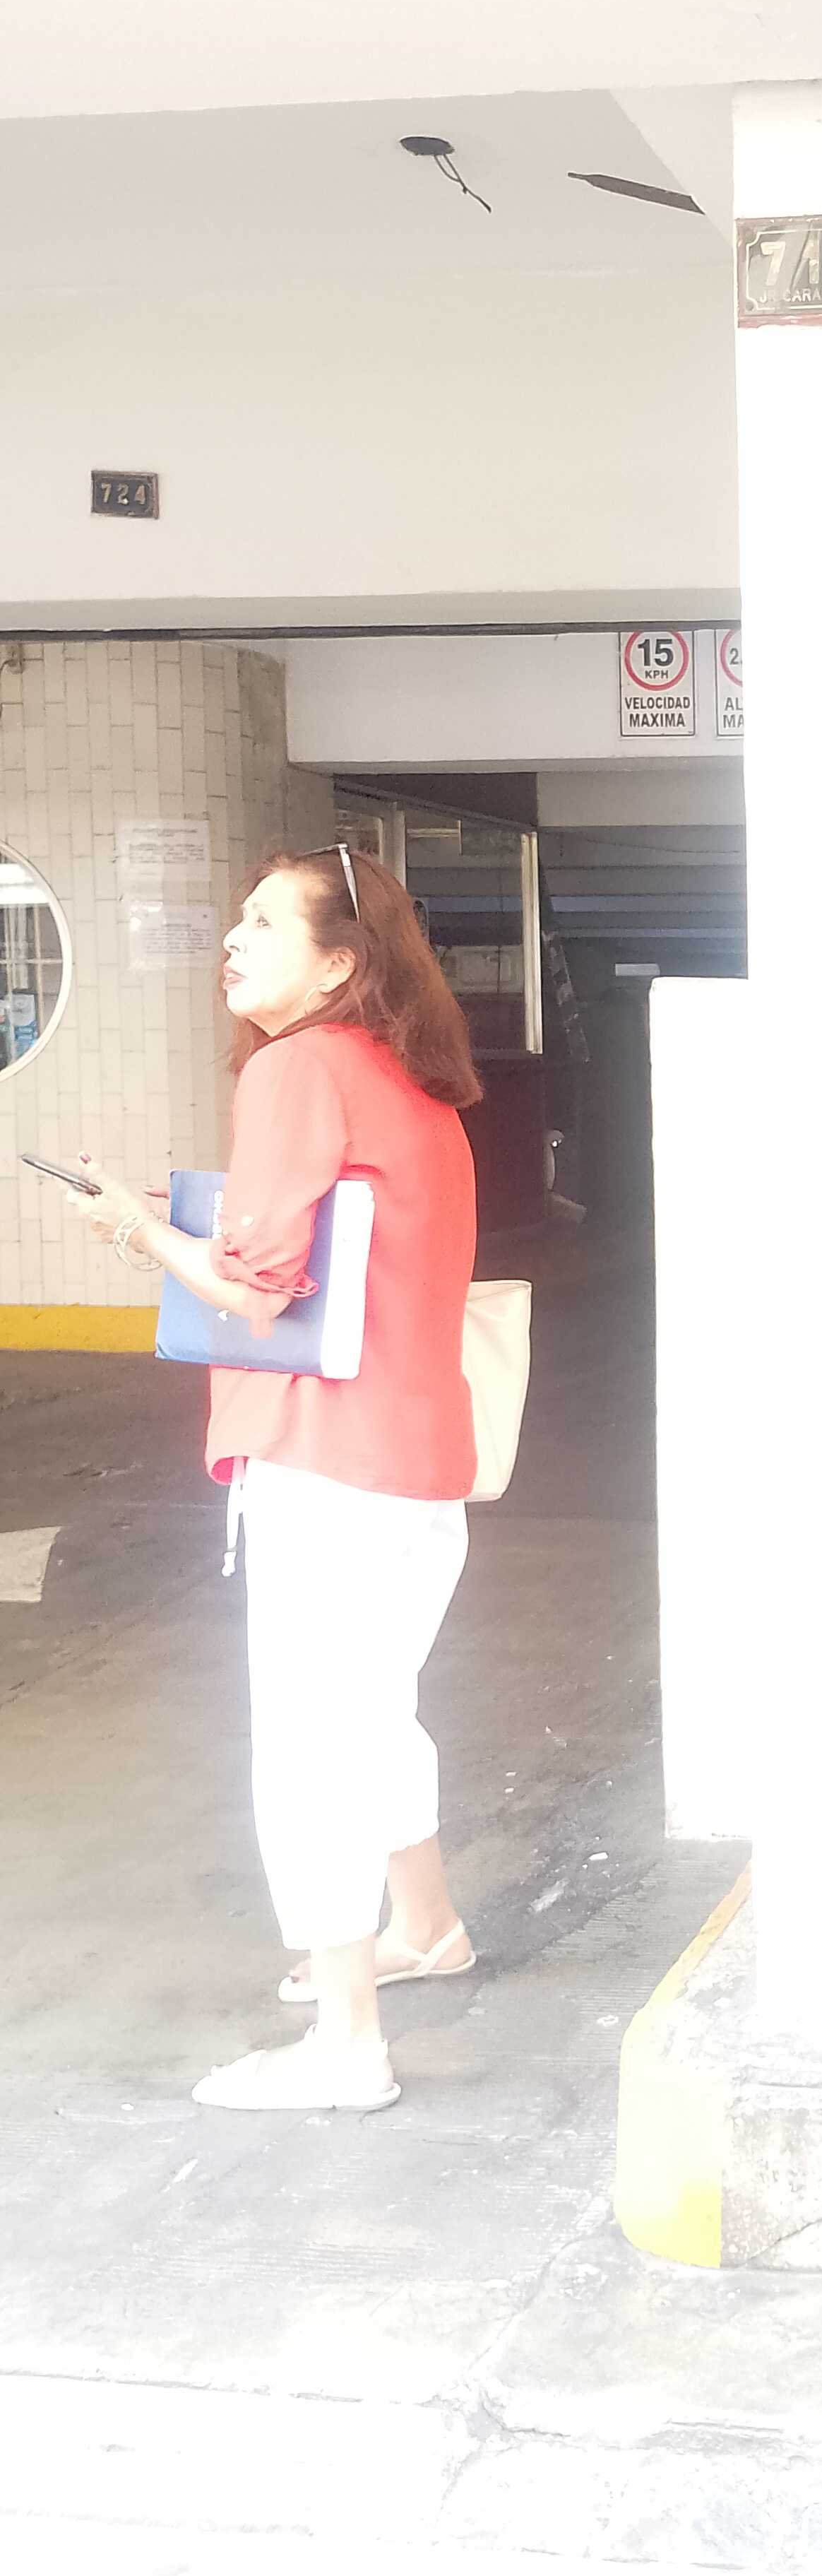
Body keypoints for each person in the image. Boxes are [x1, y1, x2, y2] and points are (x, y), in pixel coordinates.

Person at [67, 843, 483, 2110]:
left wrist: (139, 1231)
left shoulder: (298, 1067)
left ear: (339, 966)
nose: (231, 941)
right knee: (375, 1710)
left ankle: (348, 2047)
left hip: (326, 1461)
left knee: (311, 1742)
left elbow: (256, 1292)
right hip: (419, 1461)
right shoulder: (415, 1081)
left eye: (262, 923)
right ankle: (427, 1928)